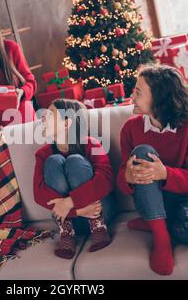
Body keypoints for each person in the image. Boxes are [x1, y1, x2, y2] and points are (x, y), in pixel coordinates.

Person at [117, 64, 188, 276]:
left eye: (138, 92)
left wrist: (164, 174)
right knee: (143, 151)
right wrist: (126, 176)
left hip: (185, 200)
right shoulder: (130, 129)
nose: (131, 97)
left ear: (159, 98)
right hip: (148, 198)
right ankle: (161, 239)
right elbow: (122, 183)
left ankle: (155, 222)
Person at [34, 99, 114, 259]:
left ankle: (98, 227)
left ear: (66, 123)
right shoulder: (43, 154)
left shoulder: (91, 144)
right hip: (68, 218)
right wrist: (78, 211)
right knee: (54, 161)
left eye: (50, 114)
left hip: (99, 211)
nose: (43, 117)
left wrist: (70, 202)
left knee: (75, 160)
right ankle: (67, 233)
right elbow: (39, 194)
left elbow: (106, 180)